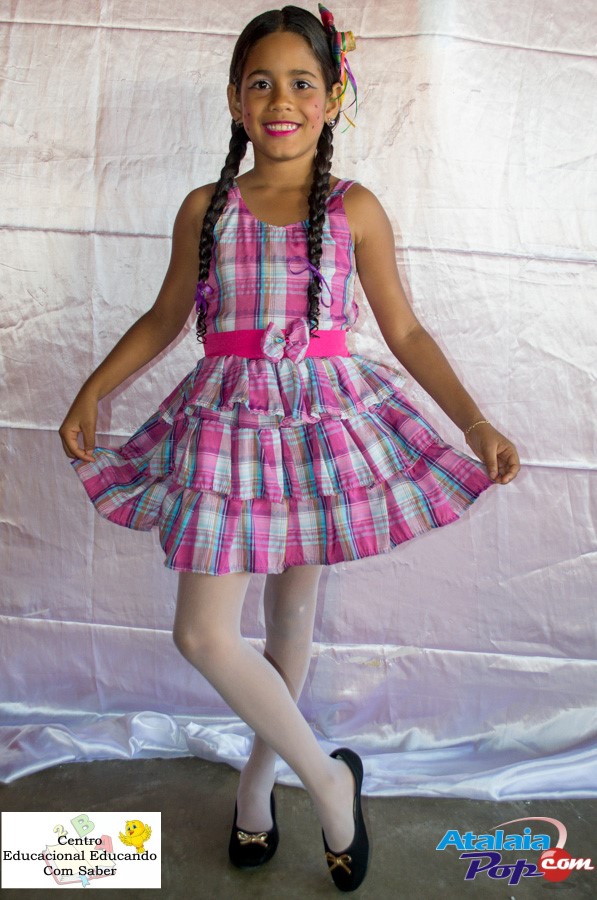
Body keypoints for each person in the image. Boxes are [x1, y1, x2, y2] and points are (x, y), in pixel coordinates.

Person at [59, 3, 520, 891]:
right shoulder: (208, 208)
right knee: (204, 633)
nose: (281, 101)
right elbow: (165, 316)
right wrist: (93, 388)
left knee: (291, 616)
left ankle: (257, 788)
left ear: (333, 96)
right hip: (228, 428)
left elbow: (405, 331)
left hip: (321, 426)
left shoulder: (355, 209)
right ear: (235, 100)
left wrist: (474, 422)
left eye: (302, 83)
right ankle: (329, 780)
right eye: (261, 83)